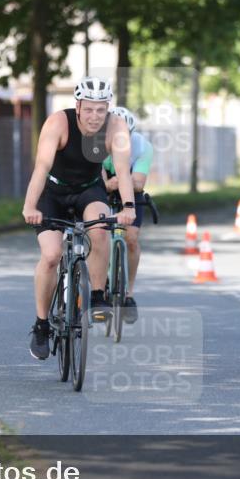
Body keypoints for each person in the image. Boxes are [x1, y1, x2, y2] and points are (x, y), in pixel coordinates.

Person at [22, 77, 136, 360]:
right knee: (51, 255)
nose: (95, 116)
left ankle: (97, 296)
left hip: (88, 189)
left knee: (100, 228)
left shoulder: (116, 127)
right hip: (53, 191)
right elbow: (41, 167)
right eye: (89, 109)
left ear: (108, 108)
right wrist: (29, 206)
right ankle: (41, 325)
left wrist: (129, 207)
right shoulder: (58, 124)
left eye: (101, 109)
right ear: (78, 107)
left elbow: (122, 171)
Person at [103, 106, 154, 324]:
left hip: (133, 195)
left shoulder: (143, 146)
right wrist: (106, 184)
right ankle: (101, 282)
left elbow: (139, 182)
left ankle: (129, 295)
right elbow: (94, 178)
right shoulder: (95, 144)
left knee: (131, 239)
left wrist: (118, 181)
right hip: (103, 193)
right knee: (99, 237)